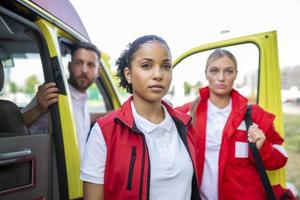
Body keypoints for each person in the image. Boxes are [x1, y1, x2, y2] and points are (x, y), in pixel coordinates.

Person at [80, 35, 200, 200]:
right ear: (128, 74)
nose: (158, 74)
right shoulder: (104, 132)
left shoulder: (185, 125)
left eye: (166, 66)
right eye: (146, 66)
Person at [186, 49, 288, 199]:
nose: (221, 77)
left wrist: (262, 147)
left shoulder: (254, 115)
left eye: (228, 71)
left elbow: (281, 158)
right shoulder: (188, 113)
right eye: (214, 71)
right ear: (206, 73)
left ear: (235, 74)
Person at [22, 41, 102, 157]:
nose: (84, 70)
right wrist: (39, 109)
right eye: (78, 63)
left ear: (98, 71)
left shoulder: (82, 98)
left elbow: (80, 117)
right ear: (69, 66)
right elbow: (14, 126)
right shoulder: (51, 92)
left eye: (90, 65)